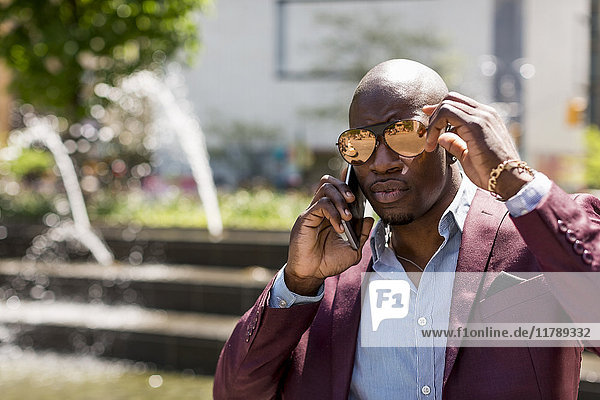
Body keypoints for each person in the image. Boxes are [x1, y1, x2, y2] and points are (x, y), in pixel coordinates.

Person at [213, 59, 600, 399]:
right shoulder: (329, 276)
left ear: (450, 137)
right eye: (360, 144)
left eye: (404, 135)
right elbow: (234, 393)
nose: (381, 162)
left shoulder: (539, 239)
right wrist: (297, 283)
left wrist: (514, 181)